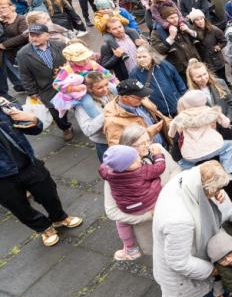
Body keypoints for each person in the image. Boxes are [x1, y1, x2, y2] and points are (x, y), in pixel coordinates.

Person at [0, 99, 83, 247]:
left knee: (48, 193)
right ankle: (44, 228)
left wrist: (33, 120)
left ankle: (59, 218)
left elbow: (34, 129)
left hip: (27, 162)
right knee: (19, 208)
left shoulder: (3, 106)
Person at [152, 161, 232, 297]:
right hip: (188, 285)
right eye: (216, 190)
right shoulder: (179, 220)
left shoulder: (188, 181)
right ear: (205, 189)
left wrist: (215, 195)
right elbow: (179, 262)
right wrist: (212, 270)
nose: (219, 192)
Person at [99, 143, 166, 261]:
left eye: (137, 157)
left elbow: (103, 168)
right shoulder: (141, 171)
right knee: (156, 181)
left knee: (121, 223)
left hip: (127, 208)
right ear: (124, 167)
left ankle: (130, 248)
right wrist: (158, 155)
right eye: (135, 161)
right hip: (149, 203)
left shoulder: (108, 173)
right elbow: (159, 168)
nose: (139, 160)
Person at [17, 24, 74, 141]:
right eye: (31, 35)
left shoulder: (60, 45)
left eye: (37, 35)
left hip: (67, 82)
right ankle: (66, 128)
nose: (33, 38)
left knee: (77, 103)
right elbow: (25, 75)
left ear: (47, 35)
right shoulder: (23, 54)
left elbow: (71, 61)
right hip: (45, 88)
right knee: (56, 112)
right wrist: (32, 92)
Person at [103, 78, 171, 146]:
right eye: (139, 97)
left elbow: (159, 115)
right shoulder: (112, 121)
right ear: (125, 97)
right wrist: (148, 133)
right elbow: (119, 149)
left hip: (163, 146)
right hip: (147, 154)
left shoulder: (141, 100)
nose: (143, 99)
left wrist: (172, 122)